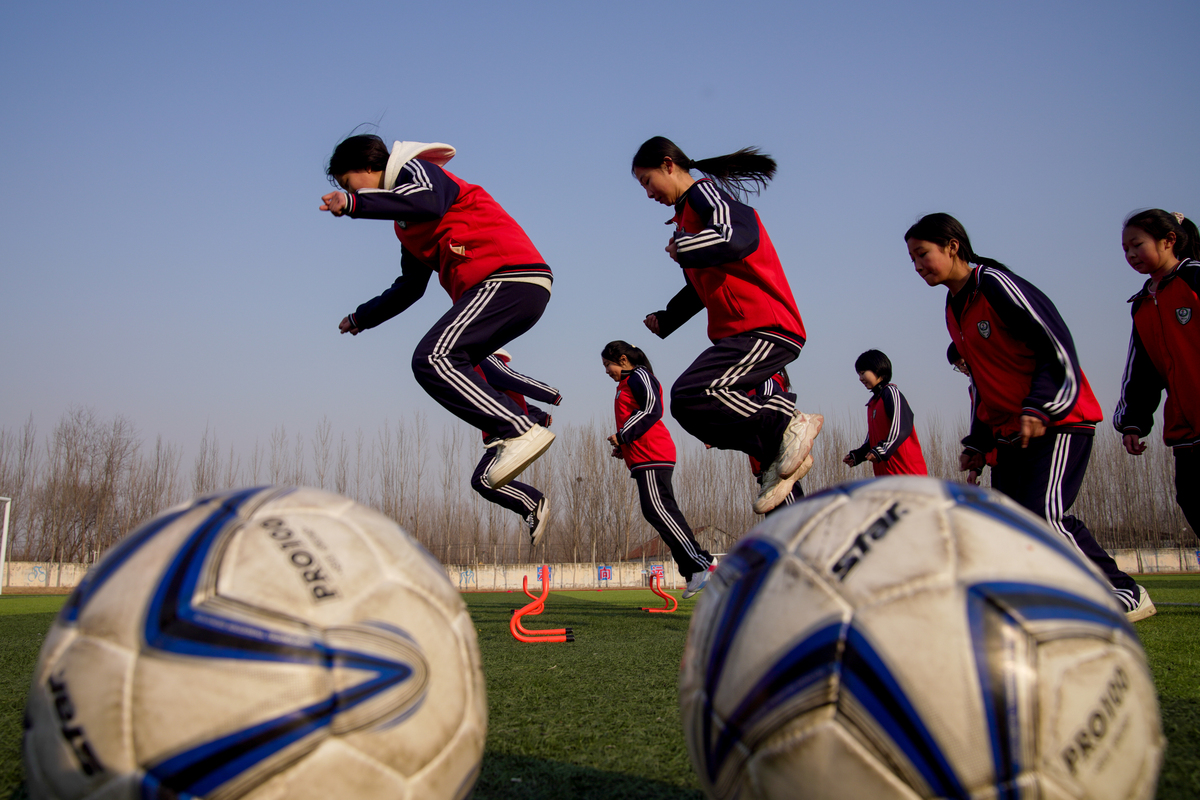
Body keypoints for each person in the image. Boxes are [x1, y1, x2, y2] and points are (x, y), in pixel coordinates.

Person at [905, 212, 1154, 622]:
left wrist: (1040, 405)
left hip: (1058, 421)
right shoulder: (953, 308)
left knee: (1044, 516)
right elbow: (985, 381)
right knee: (1009, 526)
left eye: (922, 254)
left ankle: (1125, 592)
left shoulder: (994, 284)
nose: (917, 266)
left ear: (952, 246)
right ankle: (1037, 604)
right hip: (1010, 434)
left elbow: (1055, 345)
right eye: (912, 259)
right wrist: (978, 442)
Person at [320, 134, 555, 490]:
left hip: (507, 276)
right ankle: (517, 425)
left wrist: (353, 204)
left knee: (433, 356)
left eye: (348, 182)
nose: (351, 191)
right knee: (453, 365)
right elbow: (410, 287)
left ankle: (518, 428)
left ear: (367, 168)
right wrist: (362, 317)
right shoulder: (405, 226)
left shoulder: (416, 170)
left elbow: (428, 202)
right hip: (508, 288)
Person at [632, 136, 821, 514]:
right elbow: (700, 288)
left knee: (692, 392)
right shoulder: (687, 220)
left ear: (669, 165)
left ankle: (788, 419)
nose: (648, 193)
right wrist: (667, 318)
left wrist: (685, 247)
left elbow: (740, 235)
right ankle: (776, 464)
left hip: (767, 325)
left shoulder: (705, 195)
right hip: (738, 333)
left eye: (648, 181)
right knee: (690, 405)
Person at [602, 341, 716, 598]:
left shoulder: (640, 375)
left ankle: (700, 563)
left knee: (659, 509)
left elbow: (653, 409)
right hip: (643, 455)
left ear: (622, 359)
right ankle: (694, 568)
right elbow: (635, 416)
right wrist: (623, 444)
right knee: (656, 511)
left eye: (607, 365)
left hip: (654, 453)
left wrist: (623, 435)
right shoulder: (625, 383)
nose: (606, 371)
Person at [1113, 209, 1200, 540]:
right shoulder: (1143, 304)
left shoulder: (1194, 280)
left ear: (1169, 241)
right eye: (1125, 249)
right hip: (1187, 432)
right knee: (1191, 500)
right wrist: (1133, 420)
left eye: (1137, 244)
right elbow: (1143, 368)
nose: (1131, 254)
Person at [470, 350, 560, 548]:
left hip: (505, 437)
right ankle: (531, 504)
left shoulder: (483, 359)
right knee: (483, 480)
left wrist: (549, 393)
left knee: (483, 480)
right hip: (500, 437)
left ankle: (532, 503)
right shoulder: (480, 366)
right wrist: (540, 416)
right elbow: (512, 397)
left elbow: (511, 379)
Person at [842, 350, 928, 476]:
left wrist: (881, 450)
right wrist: (858, 455)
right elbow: (872, 440)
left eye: (862, 373)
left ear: (876, 369)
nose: (860, 379)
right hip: (887, 479)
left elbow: (902, 427)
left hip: (908, 477)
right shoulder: (873, 403)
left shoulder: (891, 393)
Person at [946, 342, 996, 486]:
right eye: (958, 367)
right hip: (996, 459)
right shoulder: (973, 389)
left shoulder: (989, 379)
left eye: (962, 364)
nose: (962, 370)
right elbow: (981, 429)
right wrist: (975, 469)